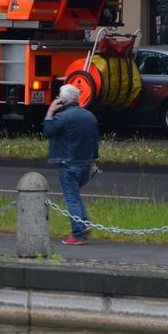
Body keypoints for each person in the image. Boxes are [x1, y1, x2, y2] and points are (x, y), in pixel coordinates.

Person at [43, 84, 100, 245]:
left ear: (62, 100)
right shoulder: (90, 116)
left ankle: (78, 234)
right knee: (74, 195)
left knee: (71, 198)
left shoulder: (62, 117)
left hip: (69, 164)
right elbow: (95, 141)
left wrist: (50, 111)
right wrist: (93, 160)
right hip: (86, 163)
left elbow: (48, 130)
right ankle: (84, 224)